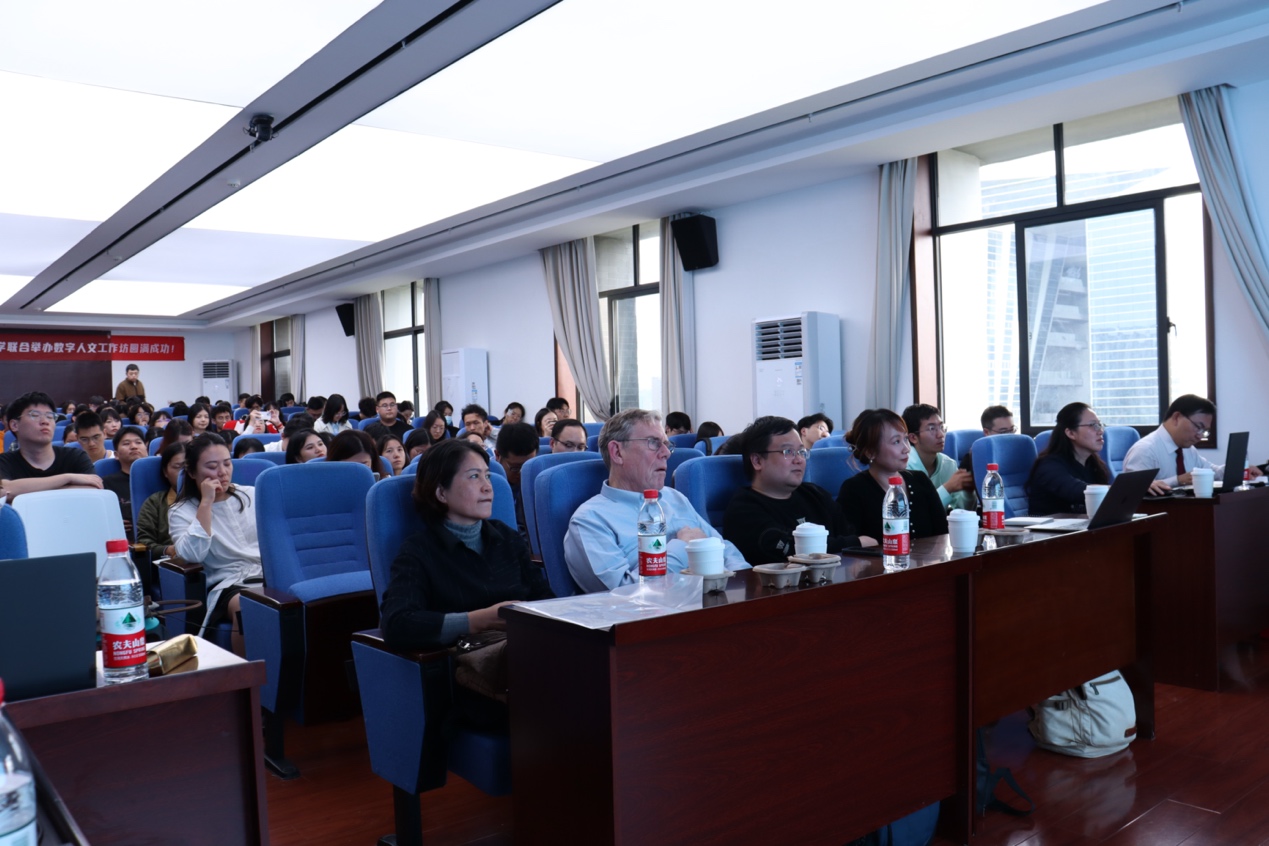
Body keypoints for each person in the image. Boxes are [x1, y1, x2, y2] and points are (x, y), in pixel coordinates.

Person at [379, 439, 552, 727]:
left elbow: (546, 599)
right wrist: (477, 620)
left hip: (528, 657)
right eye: (474, 477)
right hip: (472, 678)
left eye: (487, 475)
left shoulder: (507, 538)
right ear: (441, 492)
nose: (488, 487)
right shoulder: (419, 551)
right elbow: (398, 623)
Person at [565, 409, 747, 592]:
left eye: (667, 444)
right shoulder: (590, 520)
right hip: (661, 609)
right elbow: (621, 594)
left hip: (717, 602)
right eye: (653, 443)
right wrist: (683, 547)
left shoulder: (674, 498)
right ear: (617, 452)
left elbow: (724, 551)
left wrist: (746, 586)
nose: (666, 453)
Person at [723, 416, 872, 564]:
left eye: (801, 452)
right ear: (757, 461)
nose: (799, 460)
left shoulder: (815, 495)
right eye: (788, 452)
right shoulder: (743, 510)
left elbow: (852, 536)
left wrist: (855, 542)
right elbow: (791, 552)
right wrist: (855, 543)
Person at [169, 434, 263, 656]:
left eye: (227, 464)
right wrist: (206, 503)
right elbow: (193, 555)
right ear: (192, 472)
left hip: (267, 573)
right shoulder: (181, 511)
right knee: (247, 606)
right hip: (228, 582)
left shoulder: (252, 495)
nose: (222, 472)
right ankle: (249, 674)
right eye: (212, 467)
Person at [836, 409, 948, 542]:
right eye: (896, 442)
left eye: (905, 439)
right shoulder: (854, 489)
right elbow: (850, 545)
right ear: (870, 452)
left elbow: (942, 534)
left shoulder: (920, 480)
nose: (906, 448)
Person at [1123, 394, 1261, 487]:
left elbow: (1214, 474)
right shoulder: (1145, 450)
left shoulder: (1188, 450)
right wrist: (1178, 481)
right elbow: (1133, 492)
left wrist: (1240, 469)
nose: (1200, 436)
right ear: (1176, 418)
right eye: (1198, 427)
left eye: (1204, 431)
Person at [0, 391, 99, 501]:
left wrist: (22, 491)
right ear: (14, 425)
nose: (45, 421)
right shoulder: (4, 462)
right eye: (35, 415)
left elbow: (94, 489)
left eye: (50, 416)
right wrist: (67, 478)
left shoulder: (75, 456)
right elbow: (5, 491)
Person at [1026, 403, 1113, 515]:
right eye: (1093, 425)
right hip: (1052, 525)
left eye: (1100, 425)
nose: (1100, 431)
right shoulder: (1049, 466)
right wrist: (1119, 490)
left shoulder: (1093, 464)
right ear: (1071, 433)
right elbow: (1078, 491)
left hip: (1082, 523)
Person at [901, 404, 974, 512]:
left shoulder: (949, 464)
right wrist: (947, 488)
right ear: (913, 437)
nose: (941, 435)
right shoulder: (904, 467)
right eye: (932, 429)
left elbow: (962, 512)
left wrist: (968, 492)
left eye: (941, 427)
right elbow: (917, 512)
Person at [137, 442, 187, 568]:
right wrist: (167, 550)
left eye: (189, 467)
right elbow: (144, 543)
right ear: (165, 471)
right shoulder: (155, 502)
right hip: (173, 566)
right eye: (178, 467)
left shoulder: (209, 498)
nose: (184, 473)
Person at [100, 426, 148, 540]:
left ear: (146, 449)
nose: (134, 446)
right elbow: (100, 518)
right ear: (116, 455)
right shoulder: (107, 484)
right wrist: (112, 523)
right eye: (126, 443)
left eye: (138, 442)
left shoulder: (159, 477)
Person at [494, 422, 538, 541]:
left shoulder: (540, 483)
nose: (523, 473)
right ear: (497, 455)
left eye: (528, 466)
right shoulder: (488, 486)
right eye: (516, 468)